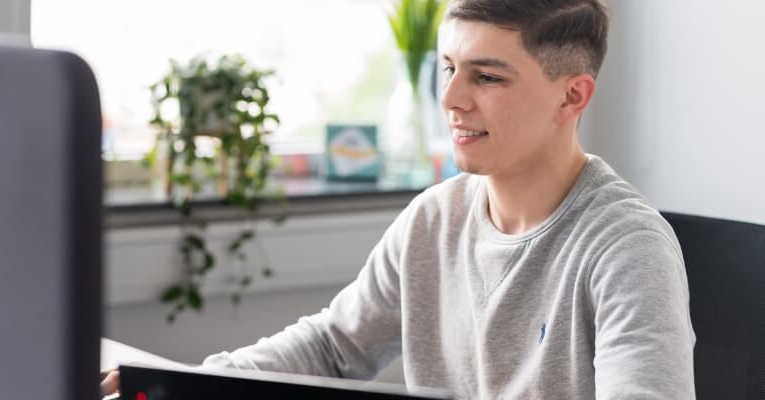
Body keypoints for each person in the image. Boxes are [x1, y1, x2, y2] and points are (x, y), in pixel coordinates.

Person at [103, 0, 696, 398]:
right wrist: (174, 384)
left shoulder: (626, 249)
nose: (452, 99)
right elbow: (335, 346)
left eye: (487, 77)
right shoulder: (435, 218)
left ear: (572, 97)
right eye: (448, 68)